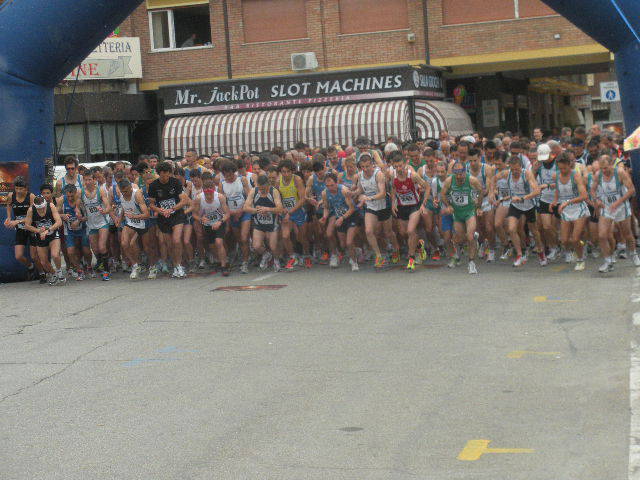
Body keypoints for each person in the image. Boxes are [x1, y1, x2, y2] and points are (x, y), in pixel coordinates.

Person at [591, 154, 639, 272]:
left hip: (621, 206)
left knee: (627, 234)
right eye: (601, 168)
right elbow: (592, 190)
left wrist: (618, 202)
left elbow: (632, 189)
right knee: (602, 235)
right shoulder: (598, 175)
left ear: (612, 164)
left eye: (606, 167)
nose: (604, 170)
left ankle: (633, 254)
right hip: (607, 207)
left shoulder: (620, 173)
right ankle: (608, 261)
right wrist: (597, 200)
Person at [355, 153, 398, 270]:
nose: (365, 169)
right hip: (371, 207)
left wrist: (368, 198)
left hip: (383, 205)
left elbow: (382, 193)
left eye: (367, 166)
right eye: (362, 167)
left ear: (372, 165)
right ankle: (379, 256)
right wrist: (353, 193)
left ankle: (396, 250)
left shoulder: (378, 174)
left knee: (388, 233)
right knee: (369, 231)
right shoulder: (360, 175)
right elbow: (360, 189)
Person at [496, 155, 541, 267]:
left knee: (534, 231)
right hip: (515, 205)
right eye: (512, 169)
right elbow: (493, 179)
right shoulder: (507, 174)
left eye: (517, 169)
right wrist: (492, 192)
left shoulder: (527, 174)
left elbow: (537, 191)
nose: (515, 172)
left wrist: (522, 198)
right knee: (511, 229)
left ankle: (541, 251)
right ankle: (520, 255)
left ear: (521, 166)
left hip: (528, 204)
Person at [148, 161, 190, 279]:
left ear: (170, 173)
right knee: (169, 244)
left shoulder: (175, 182)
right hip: (163, 217)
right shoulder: (153, 186)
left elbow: (184, 200)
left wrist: (172, 209)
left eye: (167, 174)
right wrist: (160, 210)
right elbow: (151, 204)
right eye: (162, 175)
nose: (165, 177)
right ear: (159, 174)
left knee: (177, 240)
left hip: (176, 214)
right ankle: (175, 265)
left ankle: (180, 266)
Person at [440, 161, 484, 274]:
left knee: (469, 236)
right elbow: (443, 194)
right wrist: (448, 205)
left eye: (461, 173)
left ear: (465, 171)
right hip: (457, 214)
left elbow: (481, 191)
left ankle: (471, 263)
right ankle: (474, 237)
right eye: (456, 173)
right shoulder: (449, 181)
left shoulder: (472, 180)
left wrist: (478, 206)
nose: (459, 176)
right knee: (459, 238)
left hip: (469, 212)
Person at [390, 151, 429, 271]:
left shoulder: (412, 175)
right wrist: (393, 203)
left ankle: (411, 258)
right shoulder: (393, 176)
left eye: (400, 166)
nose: (398, 168)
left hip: (414, 206)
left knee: (411, 230)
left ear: (405, 164)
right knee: (403, 233)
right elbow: (394, 189)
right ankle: (419, 246)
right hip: (402, 207)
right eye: (395, 166)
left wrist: (423, 204)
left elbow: (427, 187)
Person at [552, 152, 589, 271]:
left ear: (570, 165)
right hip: (565, 209)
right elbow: (558, 190)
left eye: (564, 167)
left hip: (578, 208)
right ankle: (580, 246)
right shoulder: (556, 176)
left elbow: (584, 195)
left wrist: (567, 202)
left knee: (575, 238)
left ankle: (580, 260)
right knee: (564, 240)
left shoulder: (576, 175)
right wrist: (555, 201)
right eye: (560, 168)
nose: (562, 170)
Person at [320, 172, 361, 271]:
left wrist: (342, 218)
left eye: (332, 185)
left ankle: (354, 262)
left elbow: (351, 209)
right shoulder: (325, 193)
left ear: (336, 182)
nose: (330, 188)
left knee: (349, 242)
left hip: (351, 216)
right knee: (343, 244)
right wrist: (325, 217)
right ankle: (355, 250)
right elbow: (326, 207)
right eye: (327, 186)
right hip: (339, 219)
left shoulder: (343, 190)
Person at [77, 169, 112, 280]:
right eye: (85, 180)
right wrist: (78, 213)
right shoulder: (81, 192)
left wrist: (105, 211)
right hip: (91, 224)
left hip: (102, 222)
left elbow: (108, 206)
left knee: (102, 247)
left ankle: (106, 272)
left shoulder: (100, 191)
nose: (87, 182)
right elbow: (77, 206)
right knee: (95, 249)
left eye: (89, 180)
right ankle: (103, 261)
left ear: (94, 180)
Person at [244, 174, 284, 271]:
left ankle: (276, 259)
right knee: (256, 246)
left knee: (273, 246)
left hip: (272, 223)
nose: (262, 191)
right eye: (260, 189)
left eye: (264, 189)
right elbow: (245, 207)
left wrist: (268, 209)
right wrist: (257, 210)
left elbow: (280, 208)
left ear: (268, 185)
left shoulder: (273, 192)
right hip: (259, 223)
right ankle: (266, 254)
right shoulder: (254, 191)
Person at [192, 179, 231, 276]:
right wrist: (201, 219)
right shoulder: (199, 198)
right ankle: (220, 260)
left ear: (214, 190)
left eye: (210, 194)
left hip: (219, 222)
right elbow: (194, 214)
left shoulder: (220, 197)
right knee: (212, 246)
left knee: (219, 242)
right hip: (208, 224)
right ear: (203, 192)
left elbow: (227, 214)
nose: (209, 196)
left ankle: (224, 266)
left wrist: (220, 221)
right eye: (207, 194)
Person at [219, 160, 252, 273]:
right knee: (239, 239)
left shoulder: (242, 180)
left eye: (230, 174)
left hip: (244, 212)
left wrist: (241, 210)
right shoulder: (222, 184)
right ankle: (243, 256)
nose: (228, 177)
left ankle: (245, 262)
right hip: (232, 214)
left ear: (234, 172)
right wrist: (232, 213)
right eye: (225, 175)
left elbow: (249, 197)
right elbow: (222, 203)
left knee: (244, 237)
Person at [24, 195, 64, 285]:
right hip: (40, 236)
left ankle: (59, 272)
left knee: (55, 255)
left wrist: (48, 230)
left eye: (43, 208)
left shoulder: (51, 206)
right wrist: (38, 230)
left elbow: (59, 222)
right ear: (35, 206)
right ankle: (54, 274)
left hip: (52, 234)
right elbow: (27, 225)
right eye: (39, 209)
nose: (41, 210)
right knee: (43, 262)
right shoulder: (31, 210)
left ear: (45, 204)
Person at [277, 159, 309, 270]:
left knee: (301, 236)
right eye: (283, 172)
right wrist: (283, 209)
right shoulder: (278, 181)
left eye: (288, 171)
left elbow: (302, 199)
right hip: (286, 212)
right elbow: (278, 199)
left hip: (298, 210)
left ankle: (306, 255)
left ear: (292, 171)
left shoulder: (297, 180)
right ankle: (292, 256)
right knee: (285, 236)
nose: (285, 174)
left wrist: (290, 211)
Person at [3, 176, 37, 279]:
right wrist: (8, 218)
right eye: (17, 188)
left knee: (34, 256)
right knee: (18, 256)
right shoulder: (11, 196)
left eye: (21, 189)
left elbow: (33, 216)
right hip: (20, 229)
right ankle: (30, 267)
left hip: (31, 227)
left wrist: (17, 221)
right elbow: (8, 205)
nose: (18, 191)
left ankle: (42, 273)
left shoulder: (31, 197)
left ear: (26, 188)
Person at [56, 184, 90, 280]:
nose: (70, 198)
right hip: (69, 231)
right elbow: (55, 214)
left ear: (76, 193)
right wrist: (62, 216)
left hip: (82, 229)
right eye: (68, 196)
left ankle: (89, 266)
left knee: (86, 251)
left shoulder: (80, 202)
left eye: (72, 196)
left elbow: (87, 217)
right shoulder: (62, 200)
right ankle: (79, 271)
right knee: (70, 252)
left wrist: (78, 220)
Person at [117, 179, 149, 280]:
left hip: (142, 222)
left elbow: (146, 214)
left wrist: (134, 216)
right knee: (124, 244)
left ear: (131, 188)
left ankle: (150, 264)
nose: (124, 193)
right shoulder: (122, 196)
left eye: (126, 191)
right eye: (122, 192)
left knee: (140, 246)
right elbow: (124, 208)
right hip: (130, 222)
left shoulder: (137, 195)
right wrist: (119, 218)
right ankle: (135, 265)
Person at [533, 143, 558, 263]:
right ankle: (553, 248)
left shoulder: (558, 163)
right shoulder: (539, 165)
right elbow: (531, 180)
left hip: (558, 198)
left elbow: (563, 181)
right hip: (544, 199)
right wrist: (534, 170)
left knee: (557, 227)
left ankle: (566, 247)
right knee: (546, 226)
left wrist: (548, 185)